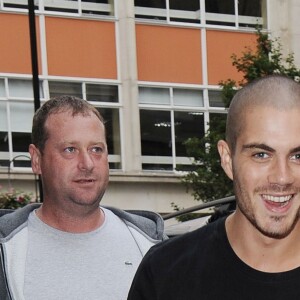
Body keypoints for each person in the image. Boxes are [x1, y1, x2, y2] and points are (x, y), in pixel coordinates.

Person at [128, 74, 300, 299]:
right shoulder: (165, 271)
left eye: (297, 156)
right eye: (261, 155)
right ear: (228, 160)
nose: (282, 177)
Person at [0, 95, 166, 300]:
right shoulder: (7, 248)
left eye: (96, 149)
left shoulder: (151, 244)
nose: (87, 163)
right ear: (36, 159)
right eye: (70, 150)